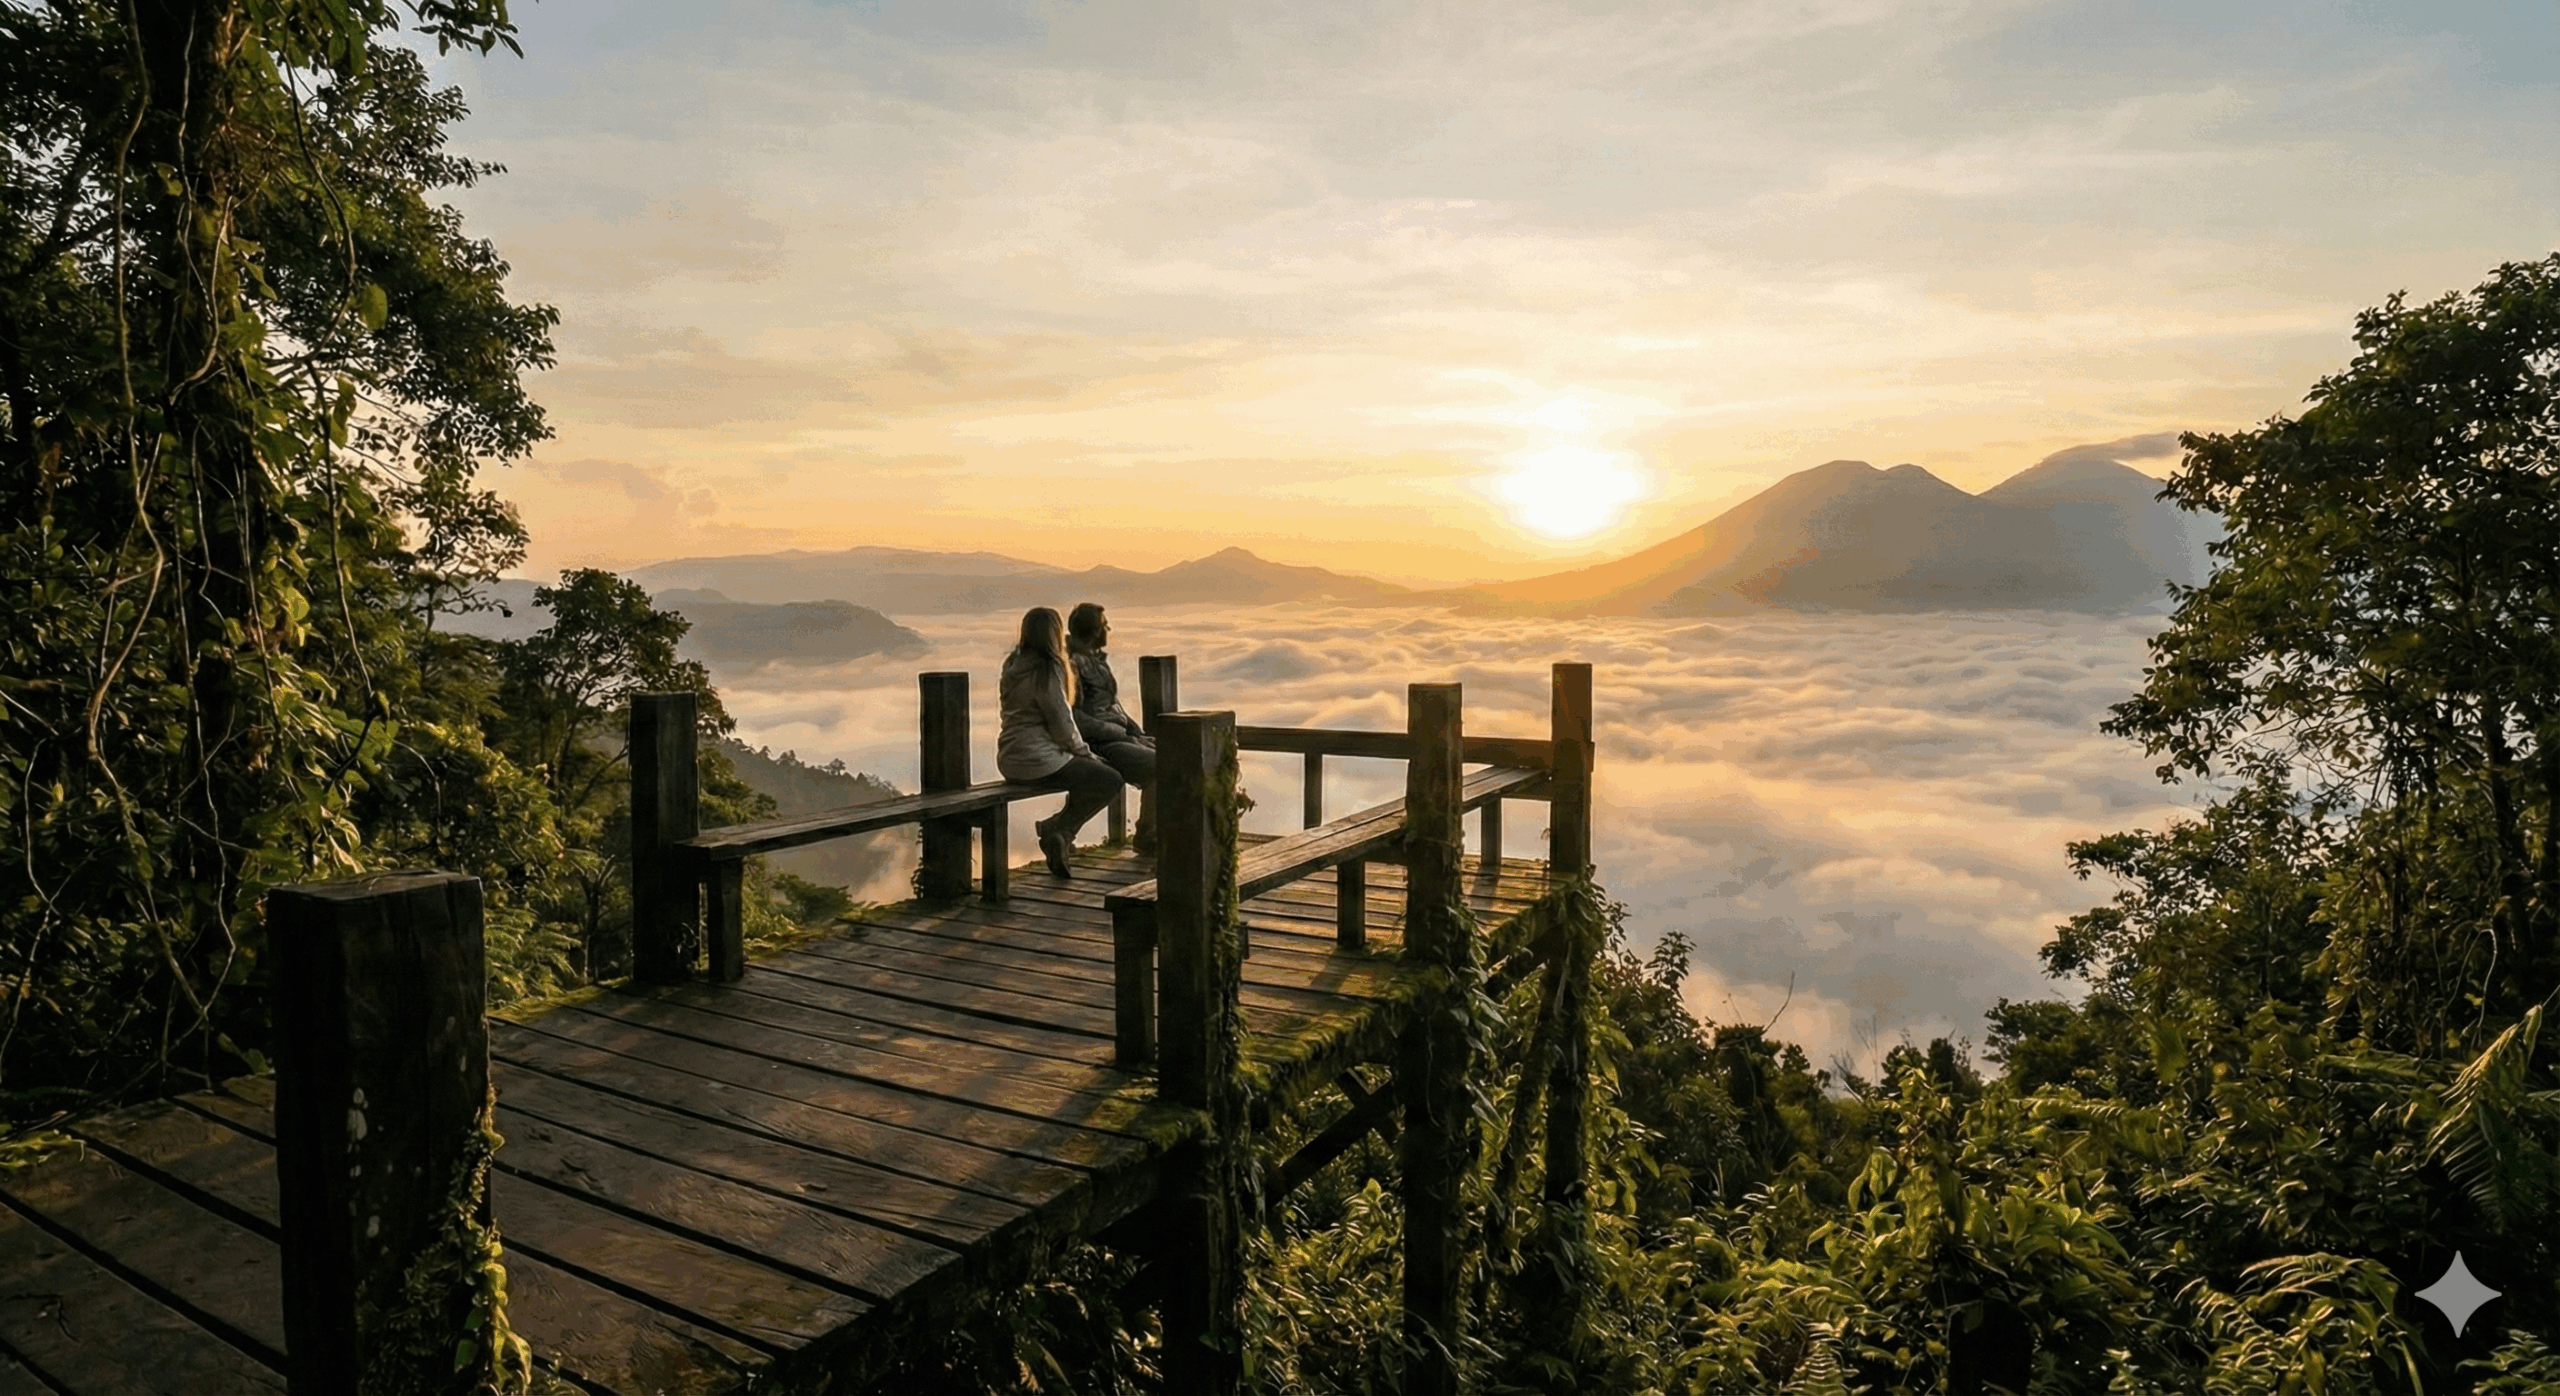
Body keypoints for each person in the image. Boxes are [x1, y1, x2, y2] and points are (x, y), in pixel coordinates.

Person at [998, 606, 1125, 878]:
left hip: (1009, 760)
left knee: (1088, 775)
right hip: (1040, 760)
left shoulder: (1012, 664)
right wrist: (1084, 752)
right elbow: (1061, 720)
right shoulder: (1048, 667)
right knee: (1109, 779)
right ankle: (1059, 830)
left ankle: (1060, 834)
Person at [1065, 603, 1156, 797]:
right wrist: (1124, 736)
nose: (1108, 630)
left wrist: (1138, 734)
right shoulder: (1072, 666)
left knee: (1178, 752)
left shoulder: (1097, 662)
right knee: (1162, 764)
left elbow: (1114, 706)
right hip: (1100, 745)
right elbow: (1075, 717)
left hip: (1119, 738)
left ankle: (1153, 825)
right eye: (1105, 626)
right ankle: (1153, 827)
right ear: (1095, 631)